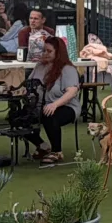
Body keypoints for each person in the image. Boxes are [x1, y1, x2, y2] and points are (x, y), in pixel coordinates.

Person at [32, 34, 80, 164]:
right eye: (44, 50)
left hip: (66, 106)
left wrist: (55, 105)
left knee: (49, 115)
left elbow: (72, 92)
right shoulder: (39, 67)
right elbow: (29, 85)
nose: (45, 54)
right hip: (41, 105)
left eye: (49, 51)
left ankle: (57, 151)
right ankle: (42, 145)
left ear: (58, 52)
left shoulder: (67, 69)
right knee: (17, 117)